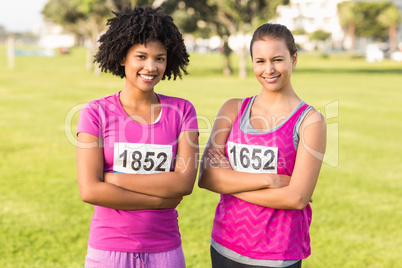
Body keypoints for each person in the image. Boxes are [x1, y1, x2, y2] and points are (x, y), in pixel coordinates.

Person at [76, 5, 199, 268]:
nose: (151, 67)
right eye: (141, 56)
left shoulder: (183, 111)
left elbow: (184, 184)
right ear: (123, 58)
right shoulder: (95, 112)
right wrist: (159, 200)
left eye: (160, 58)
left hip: (165, 251)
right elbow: (89, 190)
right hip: (108, 251)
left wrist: (115, 179)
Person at [198, 23, 326, 268]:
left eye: (277, 59)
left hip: (277, 254)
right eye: (260, 61)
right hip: (224, 246)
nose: (268, 69)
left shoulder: (310, 121)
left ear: (294, 58)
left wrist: (230, 181)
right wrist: (270, 179)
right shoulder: (233, 109)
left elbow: (297, 198)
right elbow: (206, 178)